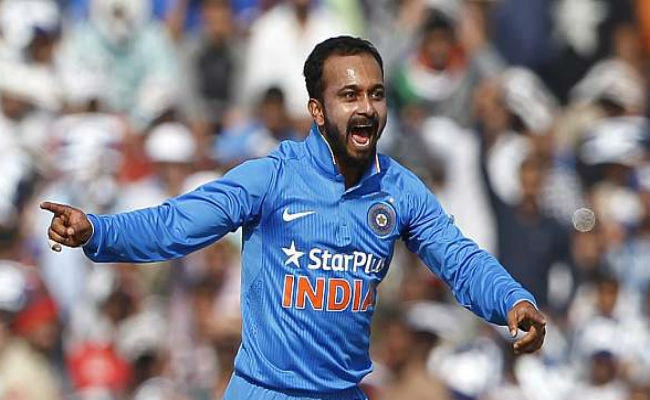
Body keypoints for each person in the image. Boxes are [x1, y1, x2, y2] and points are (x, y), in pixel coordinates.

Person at [41, 36, 546, 399]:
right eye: (349, 96)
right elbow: (176, 224)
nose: (366, 108)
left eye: (375, 94)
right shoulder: (272, 178)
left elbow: (457, 258)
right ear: (317, 110)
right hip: (264, 390)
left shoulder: (399, 188)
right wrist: (98, 230)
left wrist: (511, 300)